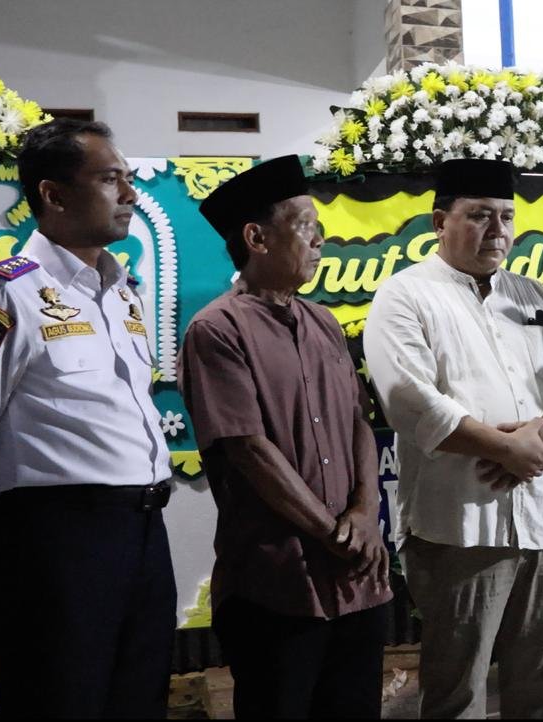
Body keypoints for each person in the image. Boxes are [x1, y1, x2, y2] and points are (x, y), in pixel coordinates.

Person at [0, 119, 176, 718]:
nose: (129, 194)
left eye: (129, 179)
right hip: (55, 544)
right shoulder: (3, 297)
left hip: (142, 530)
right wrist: (23, 531)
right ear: (53, 194)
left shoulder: (118, 291)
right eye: (110, 179)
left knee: (139, 701)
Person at [364, 158, 543, 719]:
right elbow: (410, 399)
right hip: (459, 529)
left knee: (540, 683)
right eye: (480, 216)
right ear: (439, 221)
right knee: (456, 691)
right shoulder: (405, 297)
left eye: (507, 217)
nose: (498, 230)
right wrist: (503, 447)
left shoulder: (536, 297)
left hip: (542, 524)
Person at [177, 156, 393, 718]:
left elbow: (357, 424)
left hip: (357, 581)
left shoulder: (323, 321)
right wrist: (333, 532)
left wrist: (365, 515)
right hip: (277, 584)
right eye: (305, 226)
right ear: (256, 237)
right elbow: (248, 449)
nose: (321, 240)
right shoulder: (216, 330)